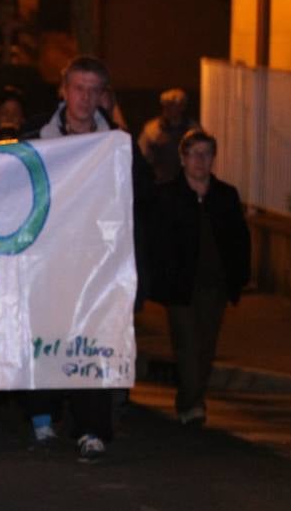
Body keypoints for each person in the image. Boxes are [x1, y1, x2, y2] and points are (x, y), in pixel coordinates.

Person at [20, 55, 152, 462]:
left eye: (94, 90)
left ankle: (92, 428)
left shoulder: (117, 144)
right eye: (79, 88)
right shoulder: (37, 138)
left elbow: (143, 196)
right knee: (44, 340)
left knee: (93, 342)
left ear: (104, 96)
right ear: (64, 90)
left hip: (97, 268)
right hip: (47, 266)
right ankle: (42, 418)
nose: (85, 97)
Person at [149, 130, 250, 425]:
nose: (200, 160)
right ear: (183, 158)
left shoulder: (225, 196)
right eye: (194, 154)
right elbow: (159, 240)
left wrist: (239, 276)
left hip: (214, 284)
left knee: (206, 344)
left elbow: (239, 240)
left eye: (206, 154)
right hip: (181, 283)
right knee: (186, 342)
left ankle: (192, 398)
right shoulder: (168, 194)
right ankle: (191, 404)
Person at [139, 88, 200, 185]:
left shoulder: (193, 130)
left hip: (187, 183)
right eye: (166, 105)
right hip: (160, 183)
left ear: (182, 107)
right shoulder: (151, 129)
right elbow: (142, 156)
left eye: (173, 105)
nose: (168, 109)